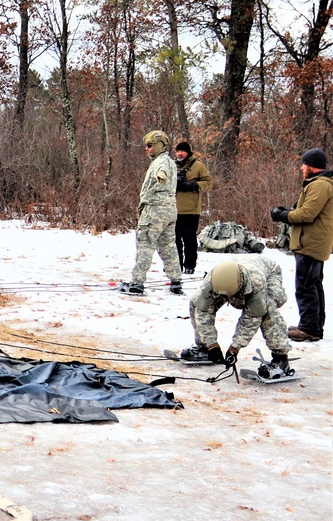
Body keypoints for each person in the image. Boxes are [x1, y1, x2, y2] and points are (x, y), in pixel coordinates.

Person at [179, 257, 294, 379]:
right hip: (238, 271)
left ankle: (281, 359)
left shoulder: (256, 283)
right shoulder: (212, 280)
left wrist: (235, 348)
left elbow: (252, 318)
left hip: (267, 273)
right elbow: (202, 311)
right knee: (196, 303)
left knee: (268, 307)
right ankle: (203, 348)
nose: (228, 298)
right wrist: (211, 344)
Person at [270, 148, 333, 342]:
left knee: (305, 287)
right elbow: (304, 210)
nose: (301, 167)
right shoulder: (320, 183)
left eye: (304, 164)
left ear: (312, 166)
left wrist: (281, 215)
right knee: (313, 285)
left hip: (311, 243)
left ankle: (309, 328)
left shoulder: (320, 185)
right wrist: (288, 211)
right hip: (313, 242)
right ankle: (313, 326)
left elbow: (306, 214)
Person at [120, 130, 184, 296]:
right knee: (168, 246)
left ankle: (137, 283)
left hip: (155, 210)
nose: (146, 149)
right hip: (169, 210)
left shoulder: (161, 163)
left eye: (149, 146)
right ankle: (176, 281)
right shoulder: (170, 161)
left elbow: (161, 172)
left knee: (145, 244)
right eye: (146, 146)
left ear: (159, 146)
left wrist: (161, 176)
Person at [174, 140, 213, 274]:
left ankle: (189, 265)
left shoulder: (198, 166)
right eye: (178, 151)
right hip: (173, 210)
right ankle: (175, 265)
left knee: (189, 241)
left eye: (182, 151)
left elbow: (208, 182)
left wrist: (193, 186)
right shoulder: (171, 166)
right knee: (174, 240)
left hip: (191, 210)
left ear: (188, 152)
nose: (180, 154)